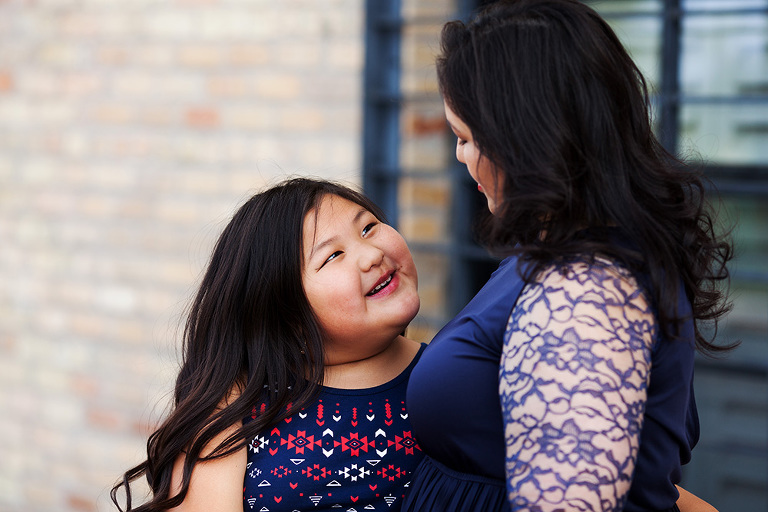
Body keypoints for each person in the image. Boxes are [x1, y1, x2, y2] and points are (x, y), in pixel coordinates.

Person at [402, 1, 733, 511]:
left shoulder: (586, 290)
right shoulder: (571, 258)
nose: (459, 155)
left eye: (466, 137)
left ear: (522, 140)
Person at [111, 178, 425, 512]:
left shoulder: (454, 373)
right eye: (333, 255)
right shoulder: (237, 404)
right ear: (286, 313)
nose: (372, 255)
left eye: (368, 228)